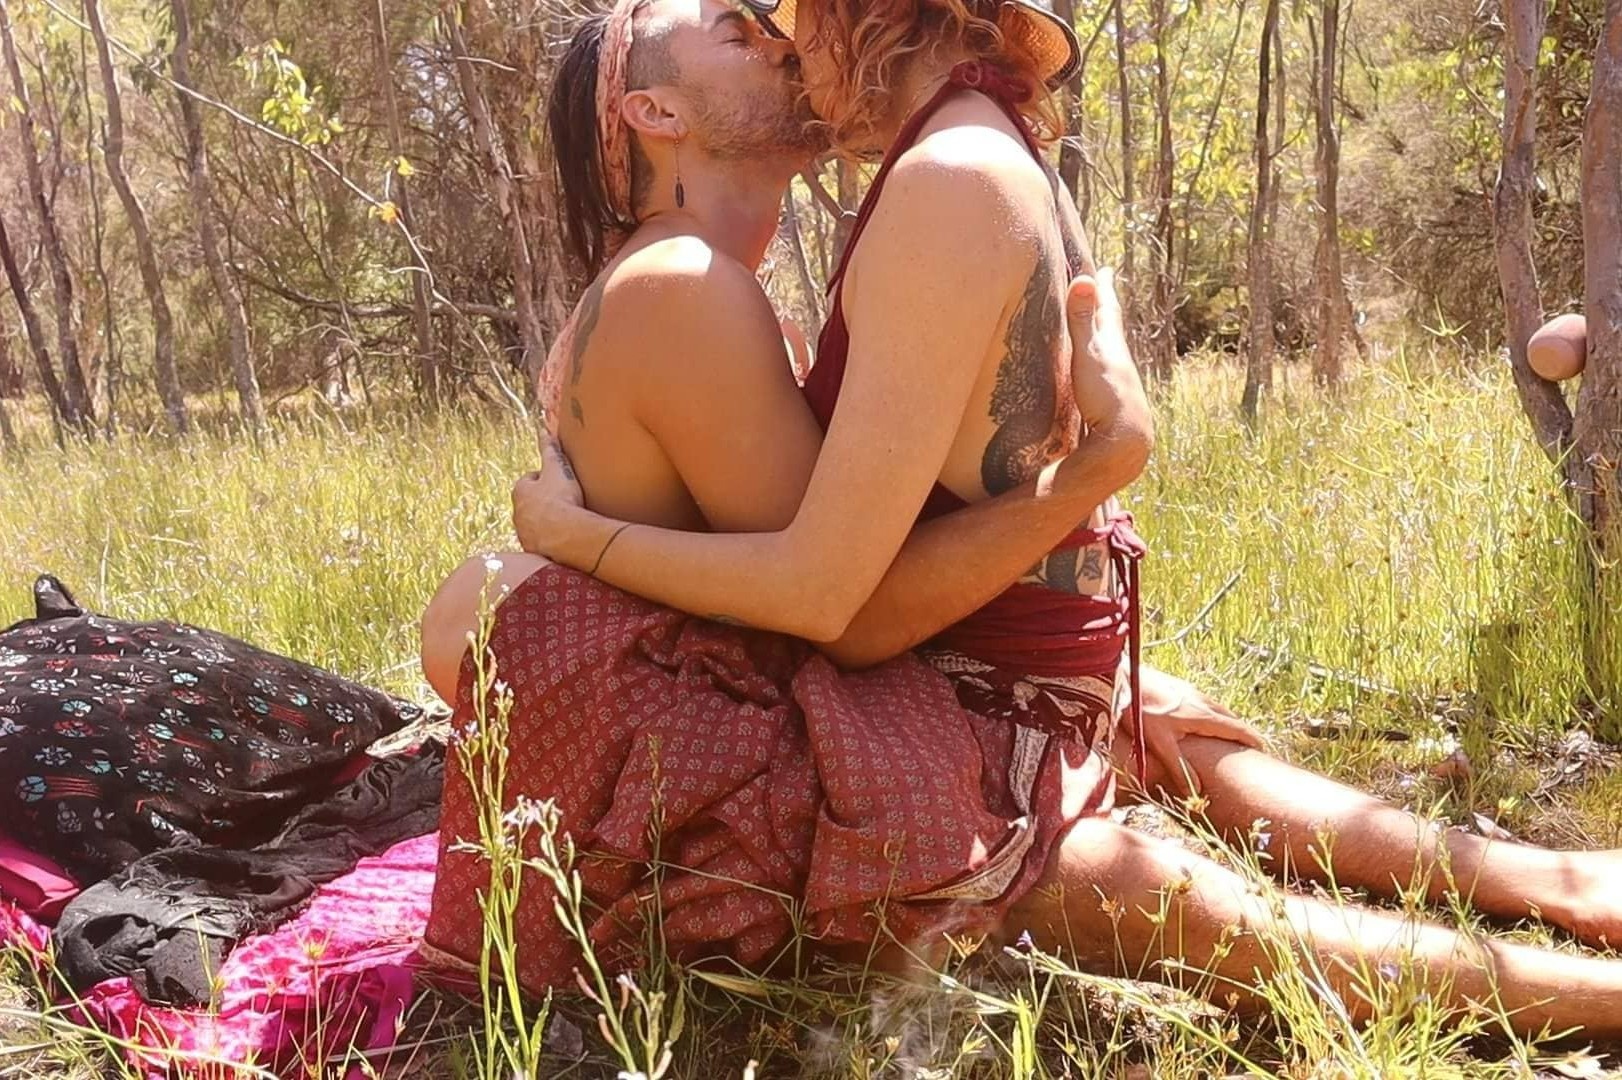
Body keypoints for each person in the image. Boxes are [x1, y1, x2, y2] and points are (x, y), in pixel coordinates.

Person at [424, 0, 1622, 1035]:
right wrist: (1094, 473)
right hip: (745, 729)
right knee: (1139, 887)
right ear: (653, 113)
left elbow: (834, 580)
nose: (779, 37)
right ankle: (1579, 970)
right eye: (738, 33)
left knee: (1147, 728)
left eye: (783, 16)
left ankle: (1555, 886)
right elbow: (837, 606)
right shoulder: (686, 284)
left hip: (830, 665)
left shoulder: (823, 232)